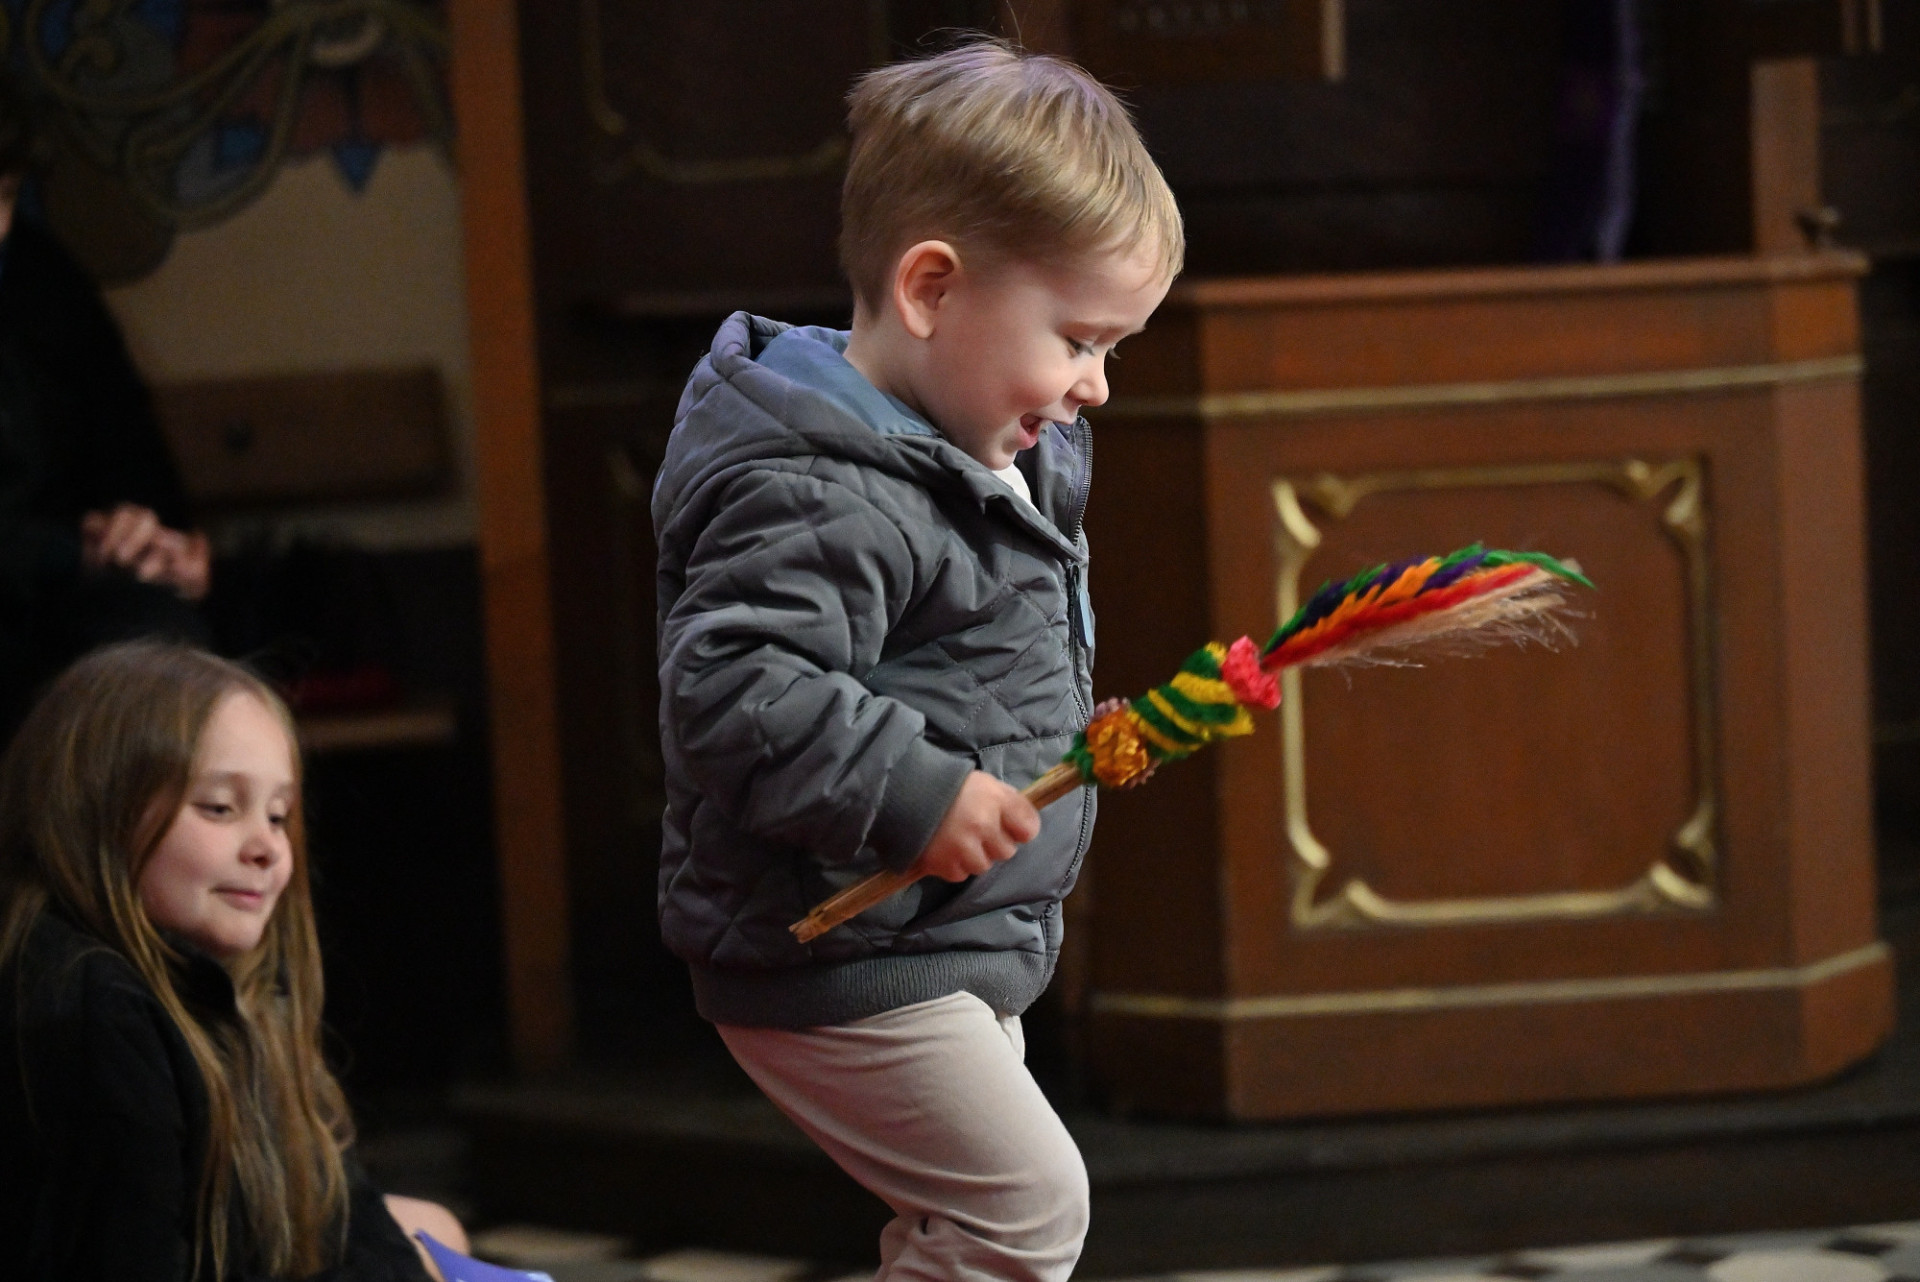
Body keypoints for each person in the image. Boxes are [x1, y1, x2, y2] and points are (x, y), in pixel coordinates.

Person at [652, 39, 1182, 1281]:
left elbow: (962, 674)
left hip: (938, 935)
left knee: (973, 1230)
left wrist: (1072, 746)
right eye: (1080, 339)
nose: (1097, 387)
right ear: (933, 288)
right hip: (839, 948)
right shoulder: (817, 482)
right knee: (1027, 1211)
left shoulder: (980, 446)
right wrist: (923, 793)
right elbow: (733, 691)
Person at [0, 641, 470, 1281]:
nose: (267, 848)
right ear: (98, 808)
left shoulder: (217, 977)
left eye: (278, 816)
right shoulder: (91, 1009)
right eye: (220, 807)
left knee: (433, 1233)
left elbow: (340, 1209)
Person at [0, 74, 213, 745]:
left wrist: (153, 544)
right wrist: (68, 551)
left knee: (156, 646)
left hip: (54, 603)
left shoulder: (40, 282)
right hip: (36, 577)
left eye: (2, 196)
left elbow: (135, 464)